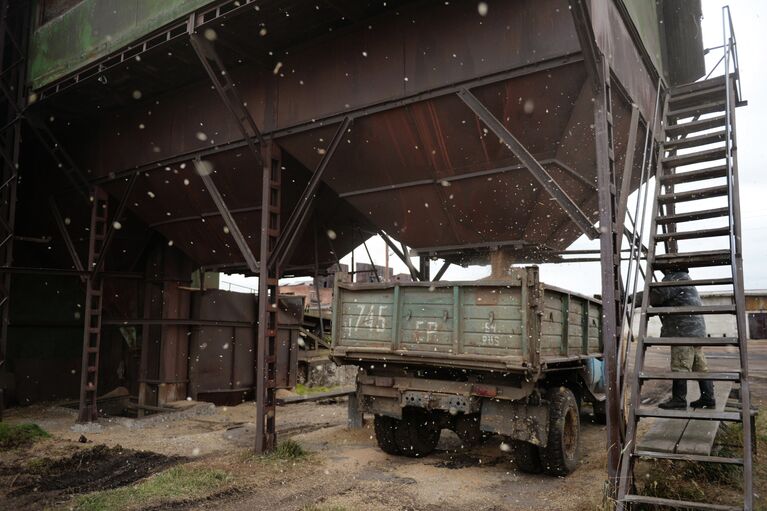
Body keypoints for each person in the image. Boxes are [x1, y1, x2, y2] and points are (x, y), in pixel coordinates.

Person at [632, 267, 715, 410]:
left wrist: (630, 298)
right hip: (695, 330)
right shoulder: (685, 279)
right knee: (700, 366)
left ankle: (679, 400)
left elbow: (656, 296)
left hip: (683, 330)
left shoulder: (674, 278)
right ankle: (708, 397)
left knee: (680, 366)